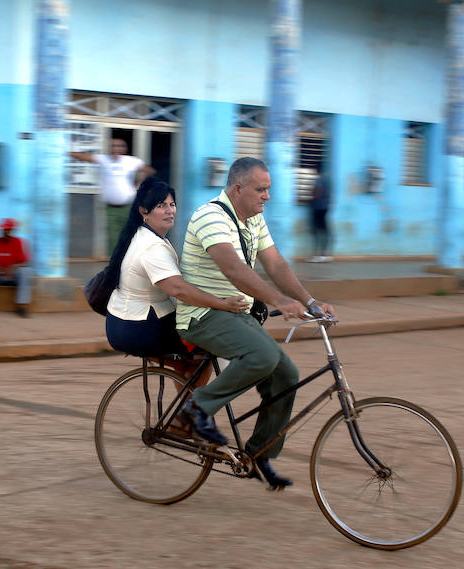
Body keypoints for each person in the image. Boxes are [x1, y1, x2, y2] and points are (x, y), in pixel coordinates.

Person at [175, 157, 336, 490]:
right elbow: (234, 269)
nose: (267, 196)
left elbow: (275, 264)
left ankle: (259, 453)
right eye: (260, 189)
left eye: (269, 189)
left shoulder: (253, 220)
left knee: (287, 375)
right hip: (201, 315)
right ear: (238, 188)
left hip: (236, 313)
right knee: (263, 357)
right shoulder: (210, 216)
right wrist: (279, 301)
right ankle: (196, 408)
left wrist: (310, 302)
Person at [105, 176, 248, 359]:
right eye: (161, 206)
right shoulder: (152, 247)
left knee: (192, 353)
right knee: (206, 340)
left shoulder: (143, 235)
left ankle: (186, 385)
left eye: (172, 204)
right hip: (139, 328)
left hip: (123, 321)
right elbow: (179, 290)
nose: (169, 211)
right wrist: (222, 304)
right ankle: (198, 389)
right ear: (144, 212)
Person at [70, 138, 155, 254]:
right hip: (111, 208)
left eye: (119, 146)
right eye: (113, 146)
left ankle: (133, 261)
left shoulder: (131, 161)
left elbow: (149, 171)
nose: (116, 148)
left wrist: (137, 183)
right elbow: (84, 157)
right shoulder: (104, 159)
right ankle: (116, 264)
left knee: (131, 234)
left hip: (128, 207)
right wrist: (67, 153)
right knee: (113, 237)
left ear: (124, 149)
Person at [308, 163, 332, 262]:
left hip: (318, 208)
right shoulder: (326, 180)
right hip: (324, 207)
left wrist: (311, 198)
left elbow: (316, 193)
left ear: (317, 170)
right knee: (324, 231)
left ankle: (319, 255)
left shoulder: (319, 180)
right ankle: (324, 254)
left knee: (318, 231)